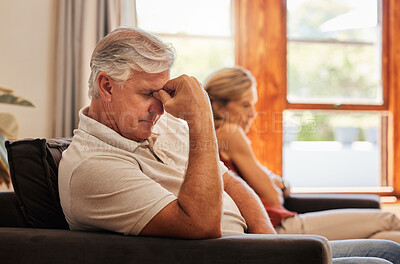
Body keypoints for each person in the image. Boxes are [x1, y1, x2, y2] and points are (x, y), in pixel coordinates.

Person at [58, 26, 400, 263]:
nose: (160, 107)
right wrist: (201, 120)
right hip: (230, 258)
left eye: (162, 93)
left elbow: (231, 182)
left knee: (388, 249)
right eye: (148, 93)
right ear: (106, 86)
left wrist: (274, 245)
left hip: (260, 249)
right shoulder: (91, 166)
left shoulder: (157, 126)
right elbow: (200, 226)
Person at [203, 66, 400, 243]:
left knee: (387, 239)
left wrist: (278, 183)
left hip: (278, 224)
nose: (253, 114)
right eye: (245, 105)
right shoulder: (229, 133)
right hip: (278, 228)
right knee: (387, 219)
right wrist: (277, 183)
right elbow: (274, 198)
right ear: (219, 106)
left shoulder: (214, 135)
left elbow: (276, 184)